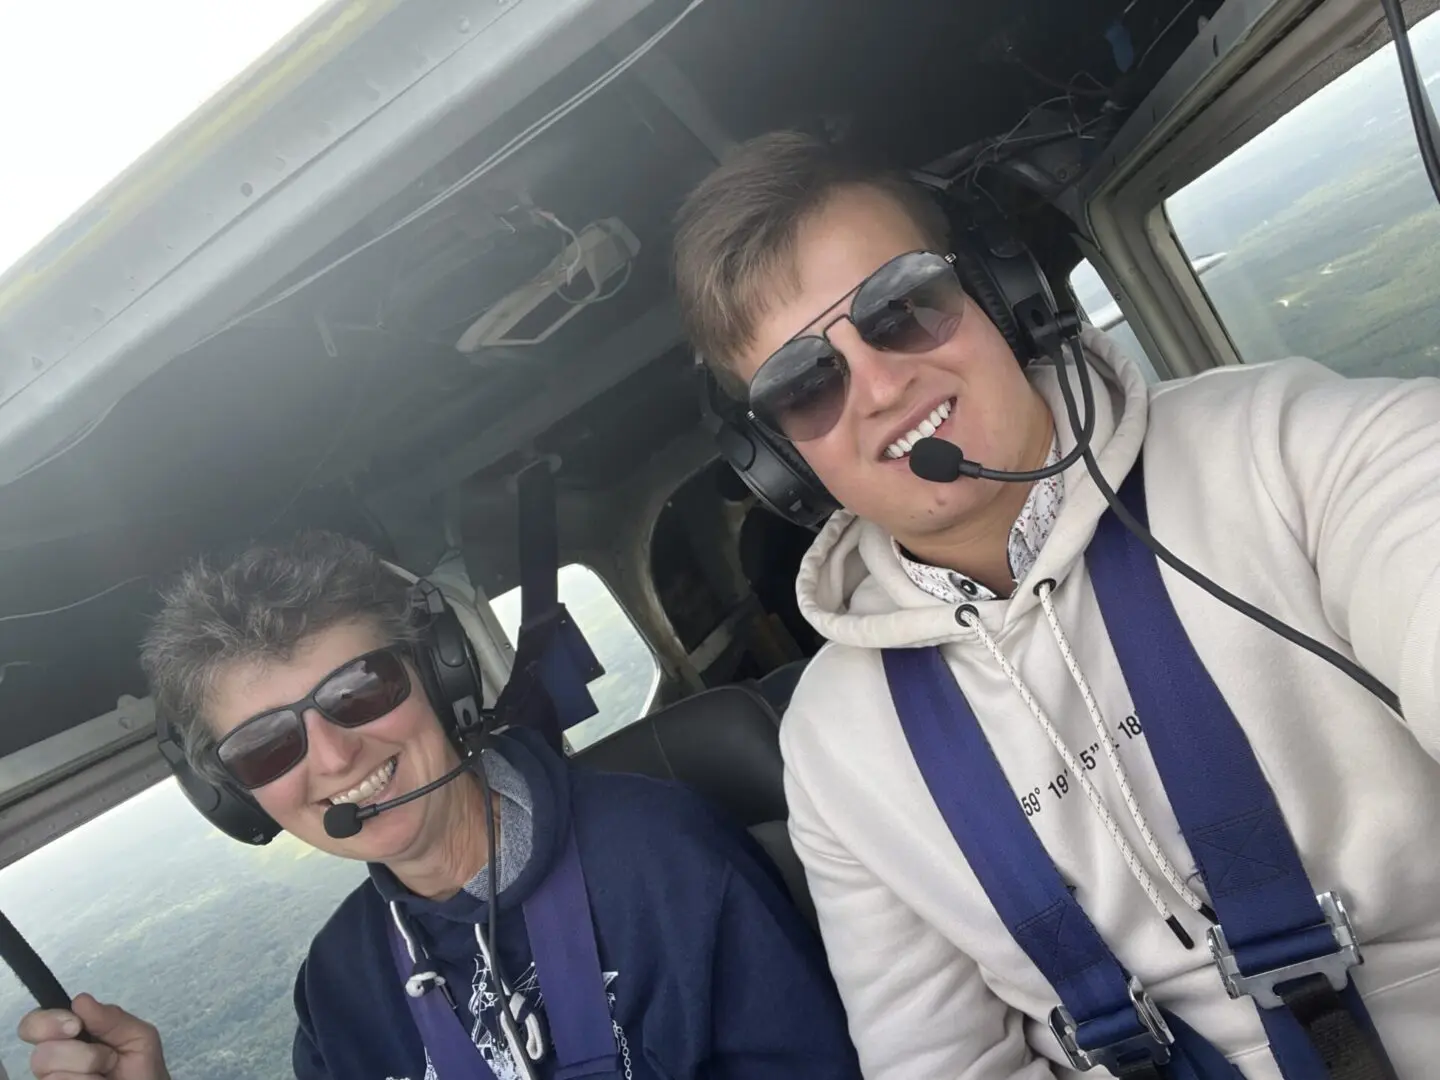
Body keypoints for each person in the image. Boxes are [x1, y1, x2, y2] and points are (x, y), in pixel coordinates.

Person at [672, 130, 1440, 1079]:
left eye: (903, 306)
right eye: (805, 385)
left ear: (1003, 292)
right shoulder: (832, 745)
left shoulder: (1296, 452)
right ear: (783, 462)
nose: (877, 385)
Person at [17, 531, 862, 1080]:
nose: (336, 755)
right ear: (238, 796)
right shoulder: (340, 983)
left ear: (440, 675)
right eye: (268, 745)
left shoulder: (665, 859)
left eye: (358, 689)